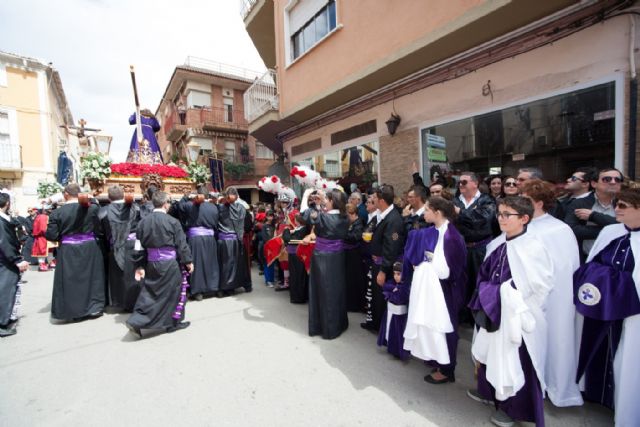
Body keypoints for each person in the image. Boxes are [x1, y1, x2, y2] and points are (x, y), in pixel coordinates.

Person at [468, 196, 553, 427]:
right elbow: (486, 272)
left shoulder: (534, 247)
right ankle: (489, 393)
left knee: (517, 362)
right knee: (489, 353)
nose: (501, 218)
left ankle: (514, 410)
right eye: (500, 214)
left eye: (507, 215)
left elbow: (541, 285)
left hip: (517, 317)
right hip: (493, 310)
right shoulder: (499, 243)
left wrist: (506, 295)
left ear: (524, 218)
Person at [572, 188, 640, 426]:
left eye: (623, 206)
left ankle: (624, 405)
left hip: (629, 312)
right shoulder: (610, 231)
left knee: (626, 357)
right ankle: (593, 392)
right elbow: (592, 262)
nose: (616, 210)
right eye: (617, 205)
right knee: (597, 347)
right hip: (600, 307)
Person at [515, 180, 583, 407]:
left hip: (551, 302)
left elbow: (564, 271)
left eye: (526, 201)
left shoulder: (559, 230)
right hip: (519, 300)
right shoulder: (518, 225)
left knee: (553, 341)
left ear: (540, 203)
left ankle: (550, 386)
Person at [403, 197, 467, 384]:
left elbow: (451, 271)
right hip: (432, 289)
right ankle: (435, 358)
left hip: (446, 291)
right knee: (431, 325)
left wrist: (426, 266)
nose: (424, 213)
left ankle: (447, 370)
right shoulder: (434, 231)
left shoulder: (452, 237)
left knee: (445, 328)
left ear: (438, 213)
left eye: (427, 210)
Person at [127, 191, 193, 338]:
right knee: (173, 293)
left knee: (150, 293)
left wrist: (139, 265)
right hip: (169, 263)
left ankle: (139, 320)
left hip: (152, 262)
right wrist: (188, 261)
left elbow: (138, 247)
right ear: (165, 204)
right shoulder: (173, 222)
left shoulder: (143, 222)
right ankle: (171, 323)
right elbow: (181, 244)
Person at [45, 184, 106, 322]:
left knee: (70, 280)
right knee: (93, 277)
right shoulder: (93, 208)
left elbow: (51, 235)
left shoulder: (57, 212)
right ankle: (94, 307)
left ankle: (74, 311)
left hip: (69, 249)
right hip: (90, 246)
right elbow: (99, 228)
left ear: (66, 194)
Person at [302, 189, 349, 339]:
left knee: (322, 291)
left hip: (323, 257)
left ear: (332, 201)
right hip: (338, 256)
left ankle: (324, 327)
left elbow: (304, 213)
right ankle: (338, 324)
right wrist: (321, 202)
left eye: (327, 200)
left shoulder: (323, 217)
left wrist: (305, 195)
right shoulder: (345, 218)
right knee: (336, 289)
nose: (325, 203)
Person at [453, 171, 496, 324]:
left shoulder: (487, 200)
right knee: (461, 281)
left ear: (475, 183)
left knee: (479, 281)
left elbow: (482, 218)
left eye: (464, 182)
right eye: (459, 182)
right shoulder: (455, 201)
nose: (460, 185)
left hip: (480, 248)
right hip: (461, 248)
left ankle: (477, 316)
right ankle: (462, 315)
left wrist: (460, 213)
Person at [361, 185, 406, 331]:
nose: (372, 201)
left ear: (381, 201)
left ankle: (382, 329)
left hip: (384, 265)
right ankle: (375, 323)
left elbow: (391, 248)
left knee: (381, 298)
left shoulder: (393, 219)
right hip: (376, 262)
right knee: (375, 296)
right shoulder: (383, 215)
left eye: (374, 198)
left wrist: (383, 270)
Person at [99, 185, 144, 312]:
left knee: (118, 274)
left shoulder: (104, 211)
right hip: (133, 244)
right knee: (134, 272)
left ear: (109, 198)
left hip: (116, 246)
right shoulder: (136, 208)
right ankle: (136, 300)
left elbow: (101, 230)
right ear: (123, 195)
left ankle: (120, 302)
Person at [565, 168, 621, 261]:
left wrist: (594, 216)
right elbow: (571, 230)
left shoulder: (626, 204)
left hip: (617, 260)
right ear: (594, 183)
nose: (613, 182)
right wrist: (612, 231)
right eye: (607, 179)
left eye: (617, 180)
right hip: (588, 260)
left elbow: (628, 226)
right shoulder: (579, 203)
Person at [175, 188, 219, 300]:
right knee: (211, 263)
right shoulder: (214, 207)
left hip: (196, 239)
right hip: (210, 238)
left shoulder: (190, 205)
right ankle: (212, 287)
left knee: (197, 265)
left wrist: (186, 196)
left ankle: (198, 291)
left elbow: (180, 206)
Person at [0, 193, 29, 337]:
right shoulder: (1, 221)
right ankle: (2, 323)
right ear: (7, 204)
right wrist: (17, 260)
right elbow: (4, 242)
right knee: (5, 290)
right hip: (4, 262)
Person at [217, 187, 250, 295]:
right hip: (237, 239)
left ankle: (225, 288)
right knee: (238, 264)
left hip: (223, 240)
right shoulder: (242, 208)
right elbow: (247, 224)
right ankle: (240, 285)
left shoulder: (220, 208)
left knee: (225, 264)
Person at [377, 262, 410, 359]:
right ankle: (389, 345)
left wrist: (391, 292)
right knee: (388, 329)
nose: (396, 277)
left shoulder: (406, 287)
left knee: (397, 333)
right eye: (394, 273)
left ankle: (398, 351)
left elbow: (399, 297)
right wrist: (393, 288)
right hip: (390, 311)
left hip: (399, 314)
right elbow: (385, 286)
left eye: (398, 274)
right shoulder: (394, 283)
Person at [282, 213, 310, 303]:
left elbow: (288, 239)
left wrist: (286, 230)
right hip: (294, 254)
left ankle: (298, 297)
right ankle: (298, 296)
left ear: (297, 221)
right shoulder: (299, 229)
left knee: (297, 275)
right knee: (295, 275)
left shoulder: (302, 230)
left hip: (297, 254)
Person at [344, 203, 366, 312]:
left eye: (348, 215)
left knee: (353, 280)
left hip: (355, 255)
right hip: (349, 254)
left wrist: (344, 234)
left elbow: (355, 237)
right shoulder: (351, 222)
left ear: (353, 214)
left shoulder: (359, 224)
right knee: (348, 280)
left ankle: (354, 305)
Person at [261, 210, 277, 288]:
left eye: (271, 216)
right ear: (266, 217)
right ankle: (268, 280)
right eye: (269, 216)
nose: (270, 217)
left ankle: (272, 280)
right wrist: (270, 242)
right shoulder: (264, 226)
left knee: (272, 263)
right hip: (267, 247)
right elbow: (264, 238)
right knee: (267, 264)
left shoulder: (274, 226)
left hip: (274, 247)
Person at [32, 207, 49, 271]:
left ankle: (42, 265)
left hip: (39, 236)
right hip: (43, 236)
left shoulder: (38, 217)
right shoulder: (43, 216)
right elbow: (43, 228)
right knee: (44, 251)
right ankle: (44, 265)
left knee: (41, 251)